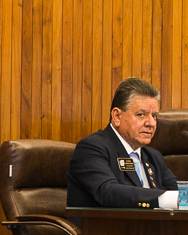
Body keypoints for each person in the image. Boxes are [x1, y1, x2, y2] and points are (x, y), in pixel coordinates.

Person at [67, 77, 179, 209]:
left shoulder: (153, 157)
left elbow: (180, 191)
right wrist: (167, 199)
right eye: (141, 114)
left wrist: (181, 197)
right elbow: (108, 192)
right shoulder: (91, 149)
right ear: (117, 116)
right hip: (103, 223)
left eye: (154, 116)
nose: (151, 123)